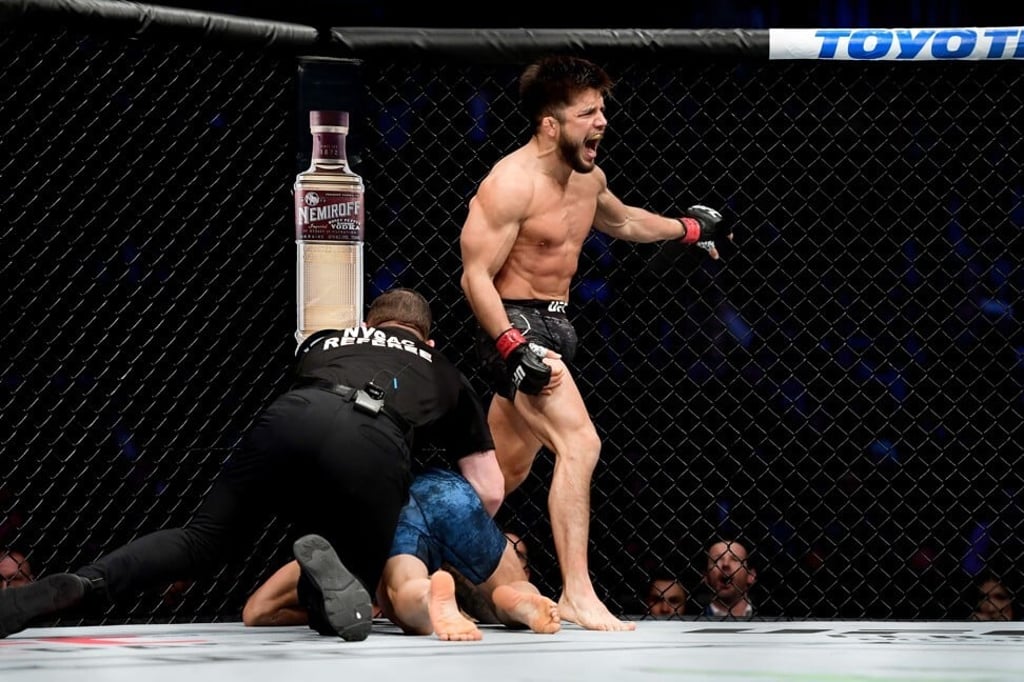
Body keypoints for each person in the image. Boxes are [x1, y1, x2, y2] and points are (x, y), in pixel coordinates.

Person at [0, 288, 505, 641]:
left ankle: (80, 584)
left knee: (202, 540)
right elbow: (488, 489)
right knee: (349, 605)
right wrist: (428, 527)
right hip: (374, 442)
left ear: (364, 326)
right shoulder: (444, 370)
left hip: (292, 417)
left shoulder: (327, 341)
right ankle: (324, 582)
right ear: (428, 341)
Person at [458, 54, 732, 631]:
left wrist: (687, 229)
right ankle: (578, 593)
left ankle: (415, 565)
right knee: (581, 444)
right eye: (587, 112)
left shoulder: (589, 179)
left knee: (500, 477)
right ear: (550, 123)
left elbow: (624, 221)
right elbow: (474, 277)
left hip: (558, 325)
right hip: (515, 324)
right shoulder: (510, 184)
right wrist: (510, 345)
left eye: (602, 109)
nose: (602, 121)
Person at [242, 467, 560, 640]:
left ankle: (427, 597)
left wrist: (358, 611)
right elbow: (490, 487)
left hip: (392, 504)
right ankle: (517, 597)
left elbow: (257, 611)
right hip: (447, 490)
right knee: (508, 587)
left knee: (406, 589)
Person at [702, 539, 757, 619]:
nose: (725, 564)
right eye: (717, 560)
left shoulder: (771, 615)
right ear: (706, 576)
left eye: (735, 559)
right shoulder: (691, 618)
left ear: (751, 575)